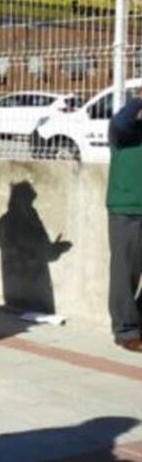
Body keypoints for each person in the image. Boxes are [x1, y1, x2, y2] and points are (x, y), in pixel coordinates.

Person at [108, 91, 142, 352]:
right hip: (128, 210)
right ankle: (127, 331)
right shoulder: (125, 130)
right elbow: (120, 122)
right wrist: (138, 101)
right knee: (126, 273)